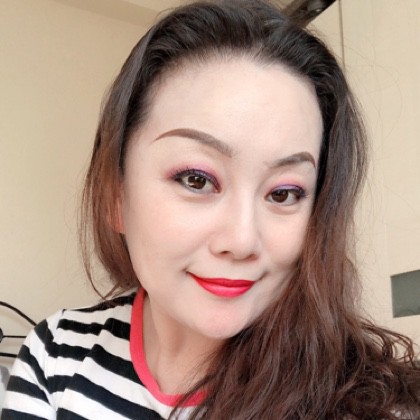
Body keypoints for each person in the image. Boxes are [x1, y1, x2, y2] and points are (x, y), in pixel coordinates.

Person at [2, 0, 419, 418]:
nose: (242, 240)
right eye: (196, 179)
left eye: (284, 193)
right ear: (116, 196)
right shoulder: (56, 356)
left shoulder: (368, 405)